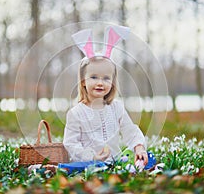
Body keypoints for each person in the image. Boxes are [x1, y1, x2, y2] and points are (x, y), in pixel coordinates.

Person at [63, 26, 149, 167]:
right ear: (83, 81)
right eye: (94, 77)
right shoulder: (76, 113)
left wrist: (138, 146)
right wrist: (91, 156)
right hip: (89, 164)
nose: (100, 83)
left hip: (115, 163)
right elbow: (71, 144)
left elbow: (129, 130)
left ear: (112, 82)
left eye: (106, 78)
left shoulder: (116, 107)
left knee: (146, 160)